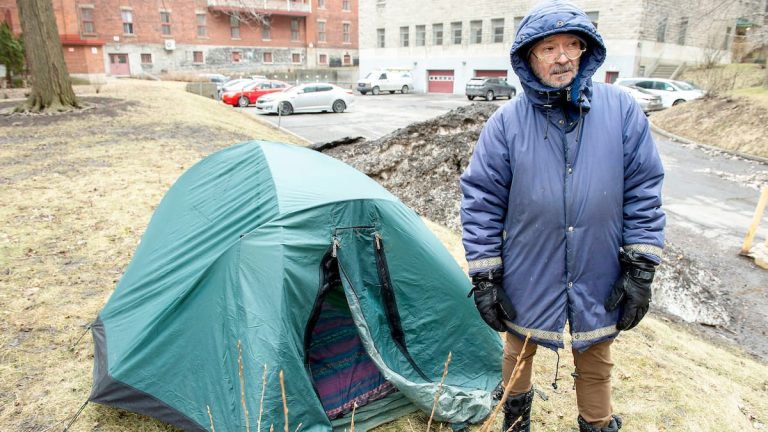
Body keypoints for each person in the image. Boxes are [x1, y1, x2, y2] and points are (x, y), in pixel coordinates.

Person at [460, 1, 665, 431]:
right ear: (528, 57)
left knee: (596, 356)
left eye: (573, 44)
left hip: (599, 263)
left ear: (586, 51)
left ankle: (596, 423)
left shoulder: (622, 111)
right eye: (549, 47)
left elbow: (644, 188)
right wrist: (485, 275)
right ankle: (515, 418)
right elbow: (481, 199)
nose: (563, 57)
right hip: (528, 264)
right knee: (518, 348)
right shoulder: (506, 123)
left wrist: (641, 266)